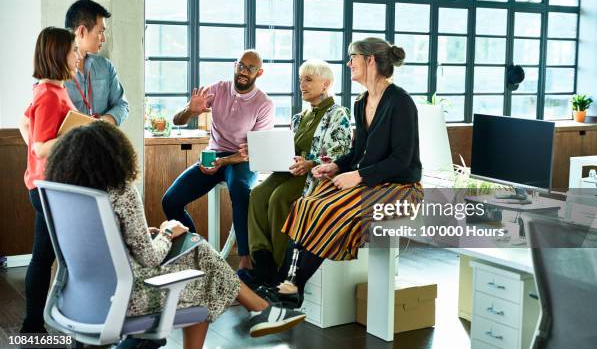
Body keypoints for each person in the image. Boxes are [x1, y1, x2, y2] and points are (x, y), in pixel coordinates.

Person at [44, 122, 306, 349]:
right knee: (202, 278)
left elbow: (100, 241)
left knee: (196, 247)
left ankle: (260, 309)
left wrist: (143, 235)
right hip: (129, 298)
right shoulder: (122, 192)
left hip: (79, 297)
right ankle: (261, 309)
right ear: (114, 155)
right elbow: (149, 257)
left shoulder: (68, 195)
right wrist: (168, 232)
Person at [262, 38, 424, 307]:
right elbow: (358, 152)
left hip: (401, 187)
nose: (348, 63)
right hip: (371, 182)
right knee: (306, 204)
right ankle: (285, 283)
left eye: (353, 57)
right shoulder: (361, 103)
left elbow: (401, 160)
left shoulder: (401, 102)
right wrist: (336, 166)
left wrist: (357, 176)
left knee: (331, 210)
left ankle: (292, 288)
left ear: (370, 60)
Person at [162, 49, 274, 274]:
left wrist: (224, 164)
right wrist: (190, 111)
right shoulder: (218, 89)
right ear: (235, 66)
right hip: (214, 154)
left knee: (240, 189)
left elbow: (253, 152)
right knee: (170, 201)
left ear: (259, 73)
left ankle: (245, 259)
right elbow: (177, 121)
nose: (244, 71)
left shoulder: (264, 104)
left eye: (250, 68)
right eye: (241, 66)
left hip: (241, 160)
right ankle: (197, 250)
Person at [246, 59, 352, 288]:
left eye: (309, 80)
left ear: (326, 84)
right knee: (256, 194)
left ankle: (278, 268)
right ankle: (262, 260)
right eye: (301, 79)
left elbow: (341, 152)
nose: (302, 84)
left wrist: (310, 162)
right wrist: (266, 154)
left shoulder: (339, 114)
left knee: (279, 198)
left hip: (313, 175)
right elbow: (287, 149)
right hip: (289, 171)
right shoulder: (299, 117)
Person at [17, 27, 80, 341]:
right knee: (56, 257)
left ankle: (36, 327)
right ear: (58, 54)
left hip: (44, 187)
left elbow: (24, 124)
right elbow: (42, 145)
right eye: (73, 51)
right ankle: (57, 325)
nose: (77, 55)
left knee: (45, 256)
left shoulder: (49, 88)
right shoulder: (49, 93)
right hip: (48, 189)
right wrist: (75, 133)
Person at [64, 0, 129, 125]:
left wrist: (102, 123)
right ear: (82, 30)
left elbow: (122, 105)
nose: (103, 39)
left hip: (101, 141)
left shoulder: (106, 67)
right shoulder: (54, 70)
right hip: (71, 143)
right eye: (100, 32)